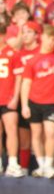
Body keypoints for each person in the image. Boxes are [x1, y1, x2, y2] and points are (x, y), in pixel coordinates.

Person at [21, 25, 54, 179]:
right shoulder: (32, 60)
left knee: (50, 133)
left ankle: (48, 165)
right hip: (34, 101)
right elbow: (26, 83)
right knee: (36, 134)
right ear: (42, 37)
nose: (51, 42)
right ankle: (41, 166)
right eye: (49, 38)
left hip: (52, 102)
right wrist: (25, 104)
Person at [0, 23, 24, 177]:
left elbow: (19, 77)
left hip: (8, 98)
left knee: (12, 130)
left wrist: (15, 97)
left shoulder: (13, 53)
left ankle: (13, 163)